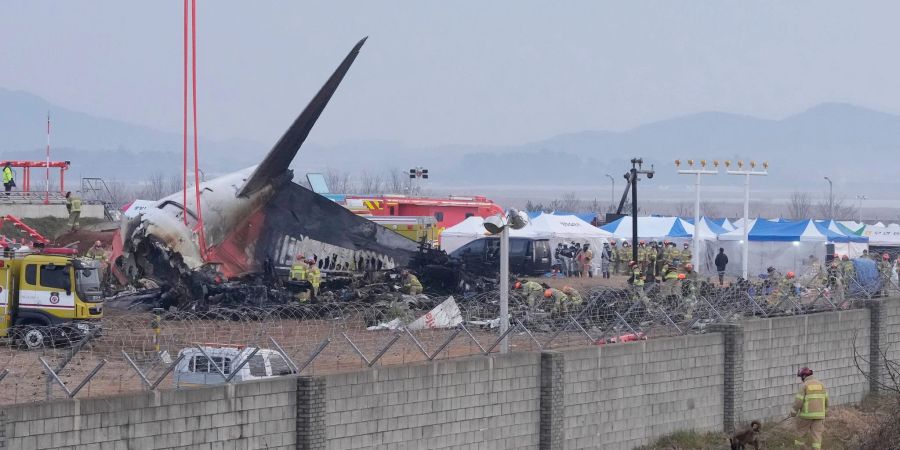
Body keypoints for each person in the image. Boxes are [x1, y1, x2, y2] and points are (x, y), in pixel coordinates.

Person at [791, 367, 828, 449]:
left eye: (801, 377)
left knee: (801, 433)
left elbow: (798, 401)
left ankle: (799, 448)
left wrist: (793, 412)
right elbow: (826, 401)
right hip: (819, 416)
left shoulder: (805, 385)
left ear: (804, 376)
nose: (801, 379)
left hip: (806, 415)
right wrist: (825, 413)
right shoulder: (821, 385)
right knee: (817, 436)